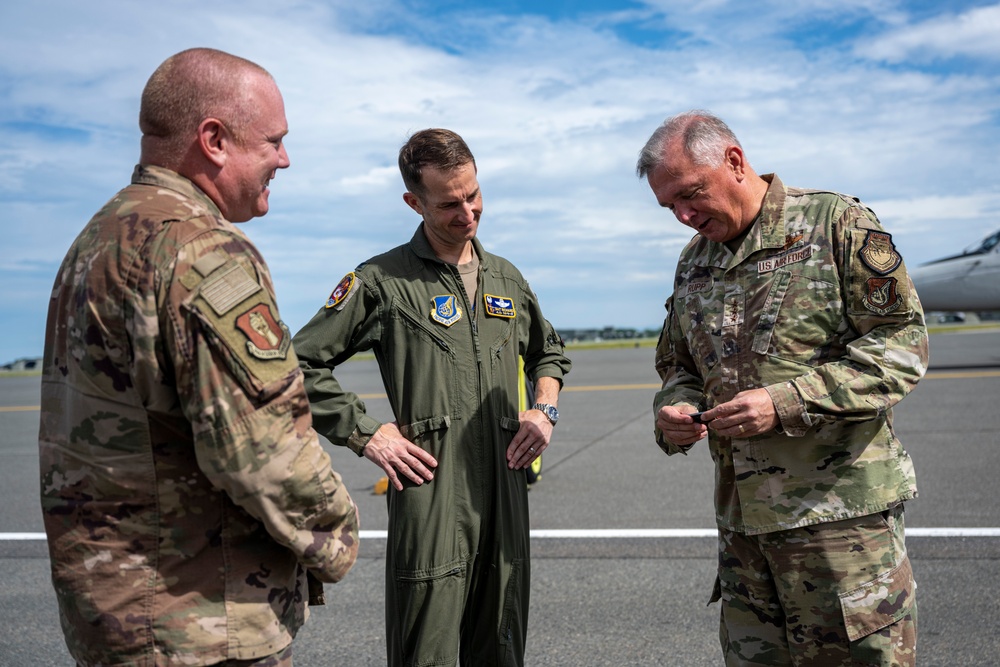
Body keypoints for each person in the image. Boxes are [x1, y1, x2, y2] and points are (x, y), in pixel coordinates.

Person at [38, 48, 359, 667]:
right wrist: (336, 535)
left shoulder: (98, 238)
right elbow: (262, 450)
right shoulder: (202, 250)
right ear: (214, 139)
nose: (284, 159)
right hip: (200, 622)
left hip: (112, 615)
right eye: (273, 141)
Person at [636, 110, 927, 666]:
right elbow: (680, 367)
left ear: (735, 161)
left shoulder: (835, 223)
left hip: (839, 532)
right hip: (745, 537)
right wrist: (674, 408)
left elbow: (902, 346)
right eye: (669, 206)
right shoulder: (694, 262)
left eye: (690, 195)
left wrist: (785, 402)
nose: (683, 215)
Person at [293, 128, 571, 666]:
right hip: (431, 491)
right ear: (413, 203)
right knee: (428, 651)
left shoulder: (507, 278)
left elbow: (550, 352)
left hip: (507, 490)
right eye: (449, 203)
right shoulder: (380, 280)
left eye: (474, 195)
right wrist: (367, 431)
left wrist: (545, 407)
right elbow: (296, 364)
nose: (467, 212)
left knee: (504, 641)